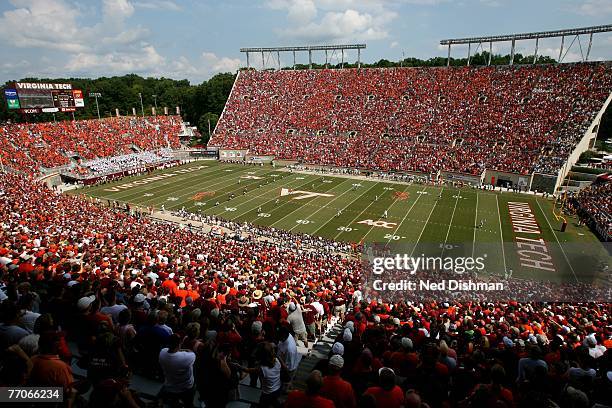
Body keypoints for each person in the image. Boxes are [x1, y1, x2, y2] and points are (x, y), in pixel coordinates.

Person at [158, 334, 196, 408]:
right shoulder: (186, 357)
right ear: (179, 344)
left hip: (171, 386)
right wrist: (185, 350)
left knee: (173, 403)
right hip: (186, 387)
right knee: (188, 404)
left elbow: (167, 350)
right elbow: (192, 353)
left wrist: (179, 349)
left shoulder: (162, 353)